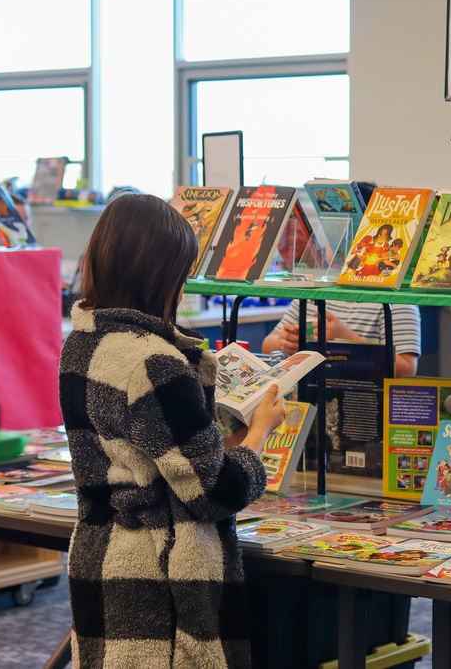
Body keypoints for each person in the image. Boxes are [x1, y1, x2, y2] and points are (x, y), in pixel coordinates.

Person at [59, 193, 286, 668]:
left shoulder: (83, 343)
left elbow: (147, 454)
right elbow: (214, 493)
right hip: (160, 576)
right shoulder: (154, 361)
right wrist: (258, 433)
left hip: (101, 553)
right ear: (160, 276)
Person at [261, 299, 421, 377]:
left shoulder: (399, 303)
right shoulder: (309, 295)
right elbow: (268, 346)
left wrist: (348, 339)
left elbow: (406, 369)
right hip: (307, 404)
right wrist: (284, 342)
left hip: (364, 410)